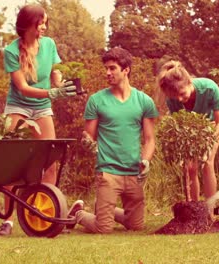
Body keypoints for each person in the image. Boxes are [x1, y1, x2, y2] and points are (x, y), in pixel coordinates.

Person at [0, 4, 76, 236]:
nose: (44, 27)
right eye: (41, 23)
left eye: (45, 23)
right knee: (10, 164)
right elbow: (22, 87)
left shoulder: (49, 44)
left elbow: (55, 72)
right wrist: (51, 93)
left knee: (51, 162)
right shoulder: (11, 51)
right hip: (18, 107)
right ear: (29, 24)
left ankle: (47, 215)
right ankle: (7, 221)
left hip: (42, 109)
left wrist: (61, 86)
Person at [66, 47, 158, 234]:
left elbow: (149, 139)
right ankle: (78, 215)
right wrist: (90, 145)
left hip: (134, 173)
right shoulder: (97, 100)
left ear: (126, 70)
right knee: (103, 228)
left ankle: (103, 208)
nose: (107, 73)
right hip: (108, 173)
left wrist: (146, 161)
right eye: (106, 68)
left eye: (113, 68)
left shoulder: (144, 101)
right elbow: (88, 136)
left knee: (136, 226)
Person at [156, 60, 219, 204]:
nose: (180, 99)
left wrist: (208, 141)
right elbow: (180, 125)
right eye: (176, 97)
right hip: (191, 130)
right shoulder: (173, 100)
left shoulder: (209, 88)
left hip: (213, 126)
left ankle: (209, 210)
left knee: (207, 162)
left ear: (189, 82)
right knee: (190, 168)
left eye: (182, 94)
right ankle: (194, 207)